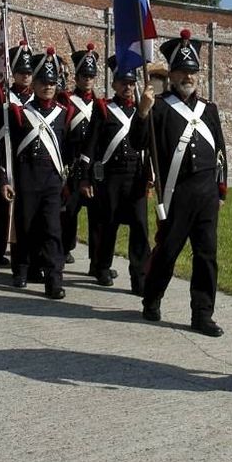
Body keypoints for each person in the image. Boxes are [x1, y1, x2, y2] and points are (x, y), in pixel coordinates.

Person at [131, 29, 227, 337]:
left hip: (206, 193)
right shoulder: (158, 106)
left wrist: (221, 189)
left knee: (207, 255)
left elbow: (221, 152)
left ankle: (202, 313)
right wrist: (143, 112)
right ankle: (152, 296)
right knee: (168, 251)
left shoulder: (209, 109)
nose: (188, 76)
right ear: (171, 74)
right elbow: (138, 142)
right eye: (182, 70)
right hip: (176, 192)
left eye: (192, 71)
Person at [0, 53, 74, 298]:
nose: (48, 86)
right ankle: (21, 269)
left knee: (52, 229)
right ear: (34, 84)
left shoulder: (63, 114)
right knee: (25, 224)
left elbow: (68, 148)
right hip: (26, 175)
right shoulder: (18, 113)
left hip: (52, 179)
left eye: (52, 83)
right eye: (43, 82)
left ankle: (54, 280)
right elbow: (4, 149)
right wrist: (5, 180)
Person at [78, 55, 151, 294]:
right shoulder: (103, 109)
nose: (127, 87)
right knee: (107, 225)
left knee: (140, 227)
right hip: (111, 175)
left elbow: (149, 146)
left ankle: (139, 278)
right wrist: (85, 177)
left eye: (131, 83)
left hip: (136, 175)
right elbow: (91, 144)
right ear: (114, 85)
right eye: (122, 83)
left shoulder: (145, 110)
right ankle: (101, 267)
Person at [0, 40, 34, 275]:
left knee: (27, 215)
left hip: (30, 163)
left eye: (29, 72)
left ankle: (25, 261)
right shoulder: (2, 96)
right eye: (21, 72)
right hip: (5, 159)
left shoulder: (37, 99)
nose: (26, 76)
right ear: (13, 73)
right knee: (2, 216)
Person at [60, 44, 100, 267]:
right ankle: (66, 248)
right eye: (84, 75)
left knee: (97, 216)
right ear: (76, 77)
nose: (87, 79)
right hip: (73, 162)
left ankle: (97, 258)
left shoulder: (101, 104)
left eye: (91, 76)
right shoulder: (66, 100)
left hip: (93, 166)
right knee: (69, 212)